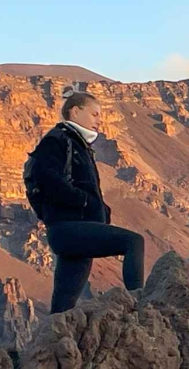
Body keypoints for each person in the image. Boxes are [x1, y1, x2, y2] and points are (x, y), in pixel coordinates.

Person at [27, 86, 146, 314]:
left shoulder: (78, 145)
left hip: (70, 233)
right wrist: (84, 202)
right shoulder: (58, 140)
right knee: (133, 242)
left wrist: (101, 210)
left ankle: (52, 345)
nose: (99, 120)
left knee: (63, 306)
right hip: (69, 229)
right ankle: (139, 304)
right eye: (94, 114)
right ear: (74, 112)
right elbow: (46, 177)